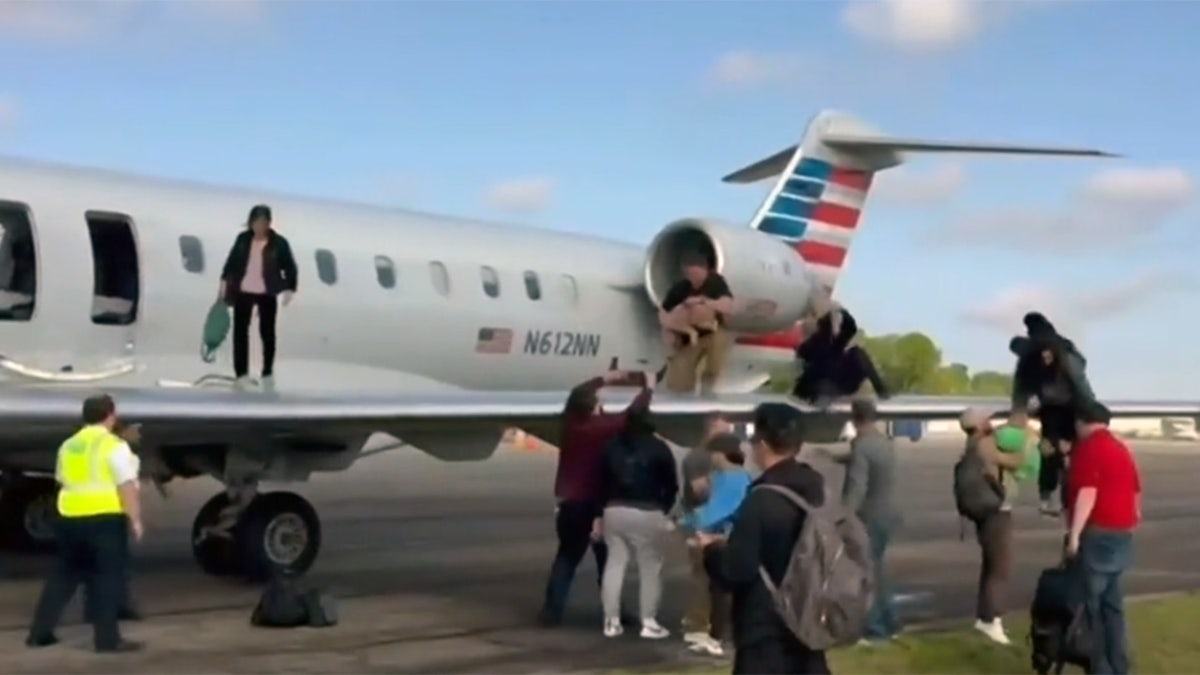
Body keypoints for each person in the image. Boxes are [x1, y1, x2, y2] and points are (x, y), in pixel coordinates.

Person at [700, 402, 830, 674]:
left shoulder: (762, 500)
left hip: (765, 628)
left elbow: (735, 570)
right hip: (806, 617)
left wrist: (711, 550)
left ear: (762, 444)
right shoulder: (815, 490)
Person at [26, 394, 144, 653]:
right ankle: (107, 640)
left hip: (69, 517)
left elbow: (61, 479)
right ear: (111, 415)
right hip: (104, 519)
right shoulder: (114, 446)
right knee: (107, 579)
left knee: (63, 576)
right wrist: (135, 519)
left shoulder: (69, 445)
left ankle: (39, 633)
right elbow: (126, 486)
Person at [538, 370, 653, 627]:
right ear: (593, 408)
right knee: (609, 561)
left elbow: (577, 394)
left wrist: (606, 378)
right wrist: (648, 388)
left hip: (569, 503)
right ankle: (615, 612)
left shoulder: (570, 423)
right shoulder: (601, 429)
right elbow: (633, 414)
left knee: (566, 558)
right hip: (597, 505)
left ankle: (551, 611)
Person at [1065, 401, 1140, 675]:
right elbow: (1135, 489)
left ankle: (1100, 668)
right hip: (1122, 531)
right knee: (1113, 606)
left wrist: (1074, 535)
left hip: (1098, 532)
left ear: (1082, 422)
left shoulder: (1089, 449)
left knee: (1091, 607)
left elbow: (1088, 492)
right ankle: (1120, 665)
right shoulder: (1121, 448)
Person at [597, 408, 679, 639]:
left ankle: (611, 621)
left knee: (614, 564)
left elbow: (599, 482)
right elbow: (671, 484)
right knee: (650, 566)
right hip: (647, 510)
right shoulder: (659, 448)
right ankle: (649, 621)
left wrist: (599, 512)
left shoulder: (610, 446)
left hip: (613, 509)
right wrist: (663, 508)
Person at [1010, 311, 1096, 516]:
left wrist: (1091, 409)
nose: (1045, 358)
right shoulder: (1045, 350)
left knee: (1060, 452)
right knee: (1056, 452)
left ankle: (1057, 496)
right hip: (1058, 408)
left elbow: (1080, 383)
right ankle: (1055, 496)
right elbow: (1021, 386)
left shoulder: (1060, 354)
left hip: (1065, 407)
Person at [679, 432, 751, 656]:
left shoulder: (733, 478)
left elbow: (718, 511)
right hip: (719, 537)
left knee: (719, 587)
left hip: (723, 539)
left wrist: (684, 521)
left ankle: (715, 635)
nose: (710, 458)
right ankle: (709, 630)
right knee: (712, 584)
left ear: (720, 454)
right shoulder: (727, 476)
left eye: (712, 453)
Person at [837, 399, 901, 645]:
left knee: (867, 573)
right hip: (889, 513)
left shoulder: (862, 447)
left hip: (870, 516)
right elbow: (864, 460)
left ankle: (876, 629)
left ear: (855, 419)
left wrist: (844, 516)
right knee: (878, 569)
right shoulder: (884, 442)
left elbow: (857, 486)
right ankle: (890, 621)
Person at [959, 407, 1024, 645]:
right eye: (985, 419)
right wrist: (1027, 442)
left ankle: (985, 617)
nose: (990, 422)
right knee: (1001, 567)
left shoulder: (972, 445)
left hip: (985, 511)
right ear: (978, 425)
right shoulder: (985, 445)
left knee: (991, 564)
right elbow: (1016, 461)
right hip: (996, 511)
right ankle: (992, 619)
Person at [220, 204, 299, 389]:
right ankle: (241, 373)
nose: (259, 226)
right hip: (244, 291)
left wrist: (290, 288)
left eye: (263, 222)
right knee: (240, 334)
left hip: (266, 292)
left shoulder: (278, 243)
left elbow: (290, 266)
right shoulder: (243, 240)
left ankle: (267, 371)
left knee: (267, 334)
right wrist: (223, 285)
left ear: (269, 223)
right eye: (256, 222)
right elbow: (231, 264)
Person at [677, 412, 734, 646]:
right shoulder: (698, 458)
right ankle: (698, 622)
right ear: (710, 430)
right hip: (701, 522)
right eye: (723, 430)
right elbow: (699, 491)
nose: (728, 435)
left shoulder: (716, 457)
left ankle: (709, 619)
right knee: (702, 574)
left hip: (715, 523)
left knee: (714, 574)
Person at [658, 252, 734, 394]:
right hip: (688, 338)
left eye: (696, 273)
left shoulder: (715, 282)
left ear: (705, 270)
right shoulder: (680, 288)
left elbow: (728, 306)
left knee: (716, 355)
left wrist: (702, 301)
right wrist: (675, 329)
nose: (693, 277)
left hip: (713, 331)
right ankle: (682, 396)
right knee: (678, 381)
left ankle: (708, 390)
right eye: (689, 273)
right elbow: (663, 314)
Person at [793, 293, 890, 403]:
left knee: (857, 352)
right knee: (820, 370)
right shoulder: (809, 347)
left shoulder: (833, 343)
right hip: (821, 385)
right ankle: (820, 397)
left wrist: (839, 311)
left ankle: (882, 392)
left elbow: (850, 327)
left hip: (840, 382)